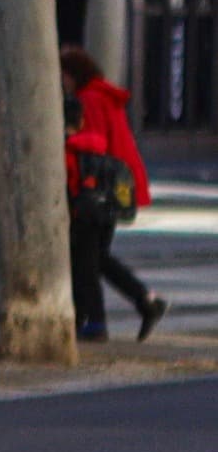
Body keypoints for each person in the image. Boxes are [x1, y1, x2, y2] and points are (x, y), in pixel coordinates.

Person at [61, 46, 167, 341]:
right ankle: (144, 301)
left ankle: (96, 321)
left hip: (97, 191)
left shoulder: (89, 99)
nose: (62, 82)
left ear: (73, 74)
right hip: (112, 187)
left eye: (63, 75)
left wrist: (67, 141)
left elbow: (92, 145)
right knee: (95, 257)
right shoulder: (103, 95)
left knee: (87, 258)